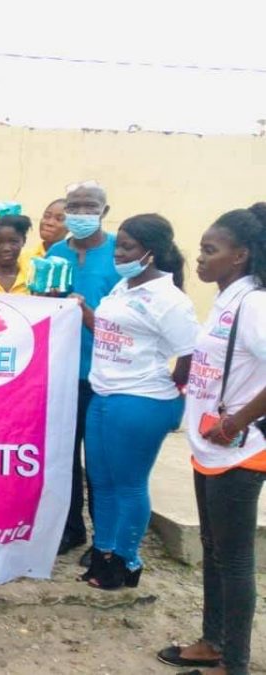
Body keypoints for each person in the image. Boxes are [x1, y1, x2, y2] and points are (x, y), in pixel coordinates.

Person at [157, 205, 266, 675]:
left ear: (240, 255)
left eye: (209, 250)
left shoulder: (254, 304)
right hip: (209, 445)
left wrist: (235, 420)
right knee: (215, 548)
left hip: (238, 449)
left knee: (236, 558)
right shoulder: (225, 299)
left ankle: (234, 664)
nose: (198, 259)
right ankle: (211, 642)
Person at [79, 214, 197, 589]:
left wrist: (166, 386)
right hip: (105, 394)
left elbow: (189, 355)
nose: (119, 252)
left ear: (151, 252)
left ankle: (126, 562)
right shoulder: (124, 287)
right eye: (119, 245)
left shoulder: (170, 299)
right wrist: (84, 313)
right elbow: (111, 333)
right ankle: (103, 556)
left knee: (129, 484)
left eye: (127, 246)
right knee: (101, 481)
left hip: (141, 401)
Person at [47, 181, 121, 558]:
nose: (79, 213)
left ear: (104, 211)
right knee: (64, 459)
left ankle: (104, 540)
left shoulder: (119, 255)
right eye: (73, 206)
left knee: (102, 463)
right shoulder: (57, 251)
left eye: (88, 206)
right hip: (62, 372)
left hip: (106, 374)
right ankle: (71, 529)